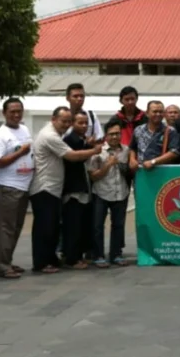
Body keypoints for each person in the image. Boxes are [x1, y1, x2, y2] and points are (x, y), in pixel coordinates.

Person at [29, 107, 101, 274]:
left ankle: (50, 259)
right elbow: (71, 156)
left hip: (53, 188)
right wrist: (94, 150)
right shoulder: (50, 136)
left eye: (69, 121)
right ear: (53, 119)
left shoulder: (58, 135)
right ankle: (40, 263)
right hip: (44, 187)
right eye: (64, 121)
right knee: (44, 228)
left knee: (52, 227)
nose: (67, 124)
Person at [0, 98, 34, 279]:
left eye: (19, 111)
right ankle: (2, 265)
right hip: (7, 186)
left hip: (23, 186)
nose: (16, 115)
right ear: (4, 113)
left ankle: (7, 260)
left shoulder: (24, 129)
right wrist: (19, 153)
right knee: (6, 227)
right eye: (12, 112)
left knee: (16, 227)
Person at [88, 121, 130, 268]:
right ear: (106, 136)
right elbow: (93, 176)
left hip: (121, 193)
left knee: (118, 225)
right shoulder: (98, 151)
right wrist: (108, 164)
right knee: (98, 226)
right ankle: (98, 255)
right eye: (111, 134)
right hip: (101, 193)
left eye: (117, 133)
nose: (115, 137)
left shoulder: (126, 150)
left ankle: (116, 254)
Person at [61, 111, 96, 269]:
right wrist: (91, 148)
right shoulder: (70, 140)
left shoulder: (81, 140)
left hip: (83, 188)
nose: (83, 126)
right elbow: (76, 158)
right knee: (73, 226)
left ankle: (78, 255)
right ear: (72, 124)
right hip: (73, 189)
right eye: (79, 123)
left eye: (85, 123)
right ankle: (71, 258)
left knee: (81, 225)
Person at [129, 100, 180, 172]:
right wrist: (132, 160)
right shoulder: (138, 129)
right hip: (141, 172)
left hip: (162, 172)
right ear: (147, 113)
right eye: (155, 111)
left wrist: (153, 162)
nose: (158, 114)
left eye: (161, 112)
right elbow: (133, 148)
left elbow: (174, 152)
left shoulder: (170, 131)